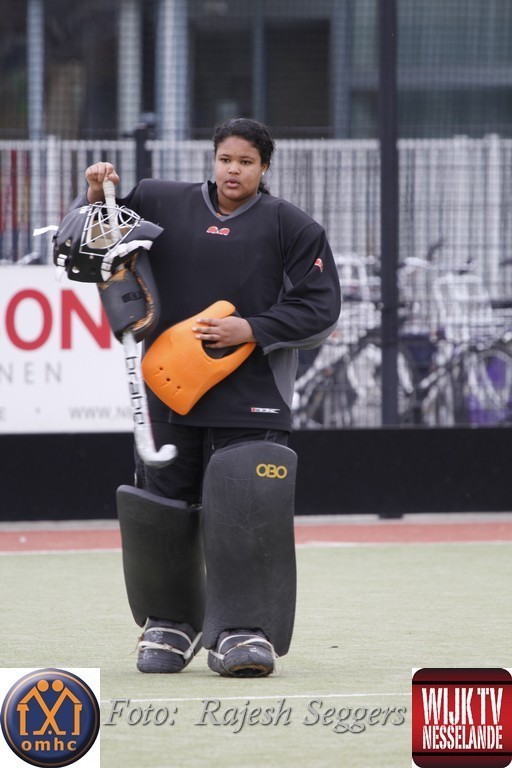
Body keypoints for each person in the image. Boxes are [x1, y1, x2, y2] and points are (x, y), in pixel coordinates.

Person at [82, 117, 341, 677]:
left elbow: (321, 308)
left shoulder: (292, 226)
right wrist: (96, 195)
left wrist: (250, 329)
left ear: (264, 168)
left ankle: (243, 630)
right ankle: (171, 623)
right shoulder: (158, 202)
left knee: (246, 511)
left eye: (246, 162)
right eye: (226, 159)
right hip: (168, 395)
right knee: (164, 508)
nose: (234, 170)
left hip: (254, 398)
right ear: (213, 159)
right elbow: (93, 247)